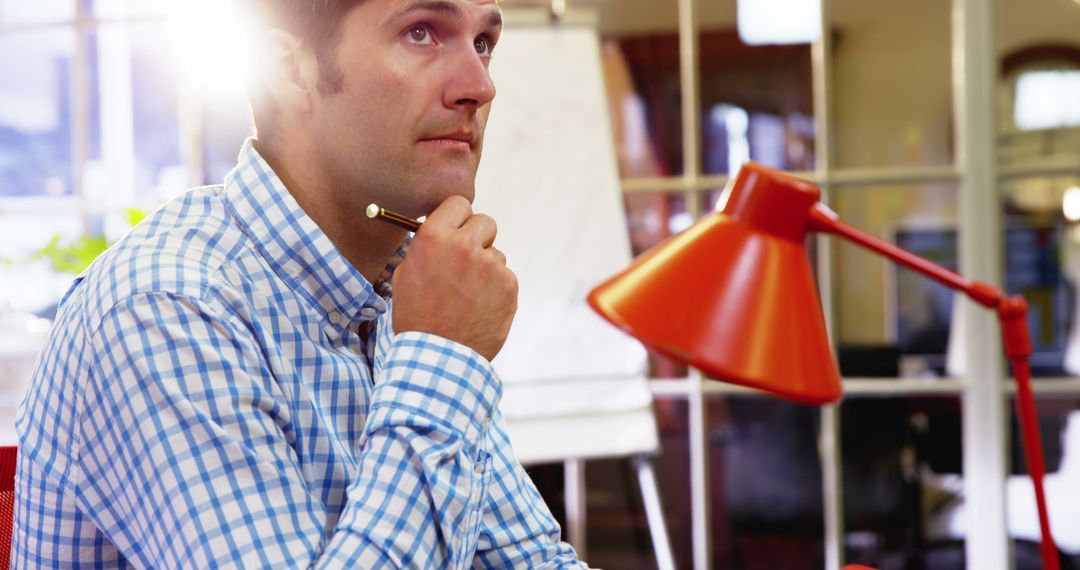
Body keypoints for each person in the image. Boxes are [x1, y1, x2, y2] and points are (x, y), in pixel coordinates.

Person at [12, 0, 587, 567]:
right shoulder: (166, 306)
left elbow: (531, 562)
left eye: (483, 42)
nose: (479, 85)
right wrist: (441, 358)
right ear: (289, 70)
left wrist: (435, 354)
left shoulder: (405, 296)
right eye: (421, 32)